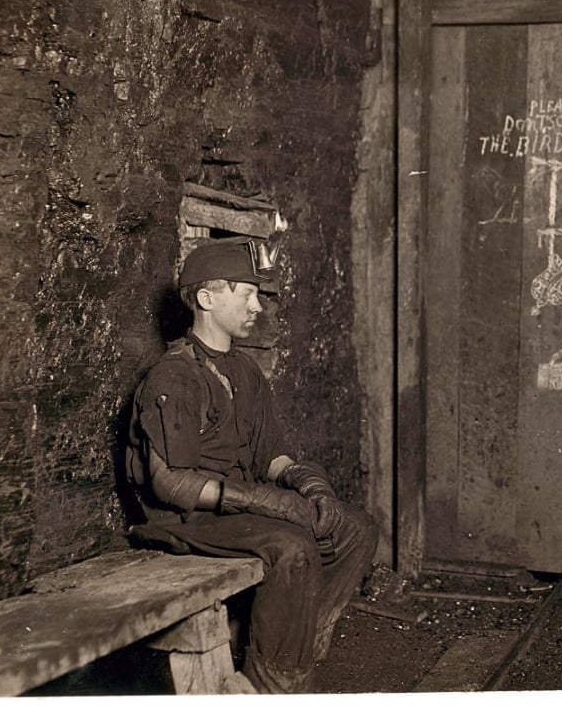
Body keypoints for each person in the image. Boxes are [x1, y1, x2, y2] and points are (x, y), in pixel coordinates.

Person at [124, 237, 378, 693]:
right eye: (246, 293)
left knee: (356, 528)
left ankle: (293, 653)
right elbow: (170, 483)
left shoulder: (244, 371)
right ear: (207, 298)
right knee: (293, 548)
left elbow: (270, 455)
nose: (257, 306)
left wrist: (309, 484)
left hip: (234, 511)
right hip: (185, 520)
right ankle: (267, 687)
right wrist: (266, 500)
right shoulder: (174, 376)